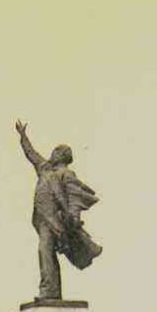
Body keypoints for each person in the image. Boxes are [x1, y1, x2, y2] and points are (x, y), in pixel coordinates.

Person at [16, 120, 103, 301]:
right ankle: (51, 291)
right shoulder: (45, 169)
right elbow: (32, 154)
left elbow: (74, 197)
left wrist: (73, 218)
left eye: (56, 152)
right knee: (45, 253)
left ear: (63, 156)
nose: (51, 154)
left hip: (57, 221)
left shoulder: (66, 174)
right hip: (42, 219)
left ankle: (48, 290)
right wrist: (23, 136)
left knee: (44, 251)